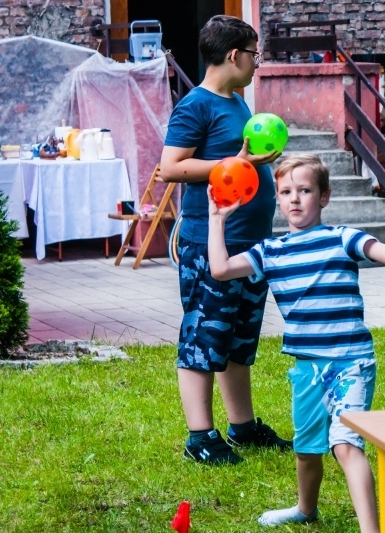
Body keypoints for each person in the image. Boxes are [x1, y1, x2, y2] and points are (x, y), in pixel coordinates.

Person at [207, 154, 385, 531]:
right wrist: (216, 219)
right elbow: (220, 269)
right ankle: (306, 509)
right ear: (277, 200)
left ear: (324, 197)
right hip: (307, 367)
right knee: (306, 449)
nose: (295, 199)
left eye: (305, 190)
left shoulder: (342, 238)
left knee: (345, 445)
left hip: (351, 363)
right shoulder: (269, 251)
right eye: (286, 192)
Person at [159, 15, 291, 466]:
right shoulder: (195, 105)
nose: (258, 63)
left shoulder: (237, 102)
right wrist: (231, 163)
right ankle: (200, 436)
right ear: (234, 55)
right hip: (210, 244)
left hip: (251, 244)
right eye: (255, 54)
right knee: (203, 336)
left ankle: (243, 427)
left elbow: (242, 163)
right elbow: (171, 168)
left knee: (239, 340)